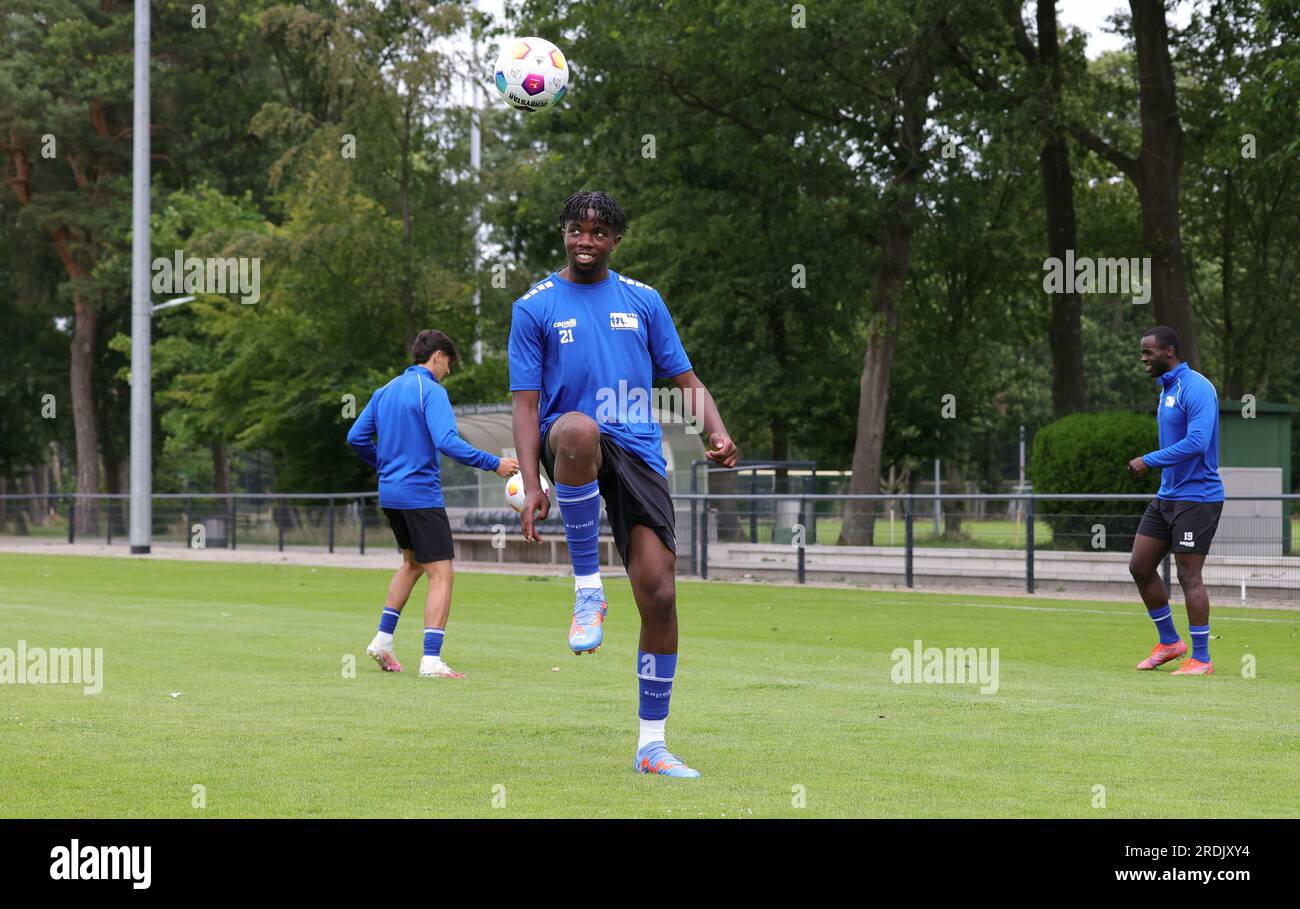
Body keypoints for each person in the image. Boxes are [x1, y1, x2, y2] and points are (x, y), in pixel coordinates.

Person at [508, 190, 739, 778]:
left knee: (660, 594)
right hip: (573, 439)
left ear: (615, 240)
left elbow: (685, 377)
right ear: (563, 232)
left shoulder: (643, 301)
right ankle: (588, 590)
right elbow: (527, 403)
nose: (586, 240)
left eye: (598, 231)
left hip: (638, 448)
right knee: (581, 429)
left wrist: (716, 431)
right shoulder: (534, 306)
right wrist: (532, 478)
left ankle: (652, 746)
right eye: (576, 229)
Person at [347, 329, 518, 679]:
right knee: (441, 573)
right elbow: (447, 441)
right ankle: (431, 661)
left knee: (411, 564)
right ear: (437, 355)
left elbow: (356, 437)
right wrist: (494, 463)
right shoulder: (432, 391)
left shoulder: (385, 391)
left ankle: (382, 640)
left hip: (391, 494)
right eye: (448, 364)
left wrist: (384, 464)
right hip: (420, 495)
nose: (448, 372)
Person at [1127, 325, 1224, 676]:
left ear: (1169, 351)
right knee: (1139, 565)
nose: (1143, 358)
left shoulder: (1195, 387)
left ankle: (1201, 658)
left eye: (1148, 352)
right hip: (1167, 497)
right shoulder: (1167, 389)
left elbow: (1198, 441)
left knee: (1188, 576)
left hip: (1198, 498)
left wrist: (1149, 459)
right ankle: (1170, 642)